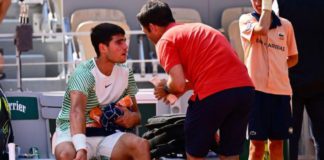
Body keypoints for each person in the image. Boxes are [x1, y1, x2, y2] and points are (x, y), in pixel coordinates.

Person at [137, 1, 255, 160]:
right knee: (230, 153)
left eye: (146, 33)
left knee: (194, 154)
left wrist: (165, 89)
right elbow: (212, 73)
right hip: (244, 90)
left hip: (214, 95)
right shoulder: (201, 28)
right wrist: (182, 89)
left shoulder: (165, 40)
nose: (149, 37)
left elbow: (177, 84)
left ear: (153, 27)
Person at [54, 23, 150, 160]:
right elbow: (76, 112)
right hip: (72, 133)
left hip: (108, 134)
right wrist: (81, 148)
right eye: (119, 42)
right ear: (103, 48)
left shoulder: (126, 73)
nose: (125, 46)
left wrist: (131, 118)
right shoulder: (83, 73)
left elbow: (137, 115)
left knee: (141, 145)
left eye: (125, 40)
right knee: (67, 155)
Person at [239, 0, 298, 159]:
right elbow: (262, 29)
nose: (258, 2)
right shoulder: (246, 20)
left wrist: (279, 68)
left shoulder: (286, 25)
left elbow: (293, 57)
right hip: (256, 93)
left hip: (281, 93)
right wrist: (266, 8)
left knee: (277, 145)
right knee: (256, 147)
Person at [277, 0, 324, 159]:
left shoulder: (281, 4)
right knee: (321, 137)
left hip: (290, 82)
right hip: (318, 80)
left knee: (291, 136)